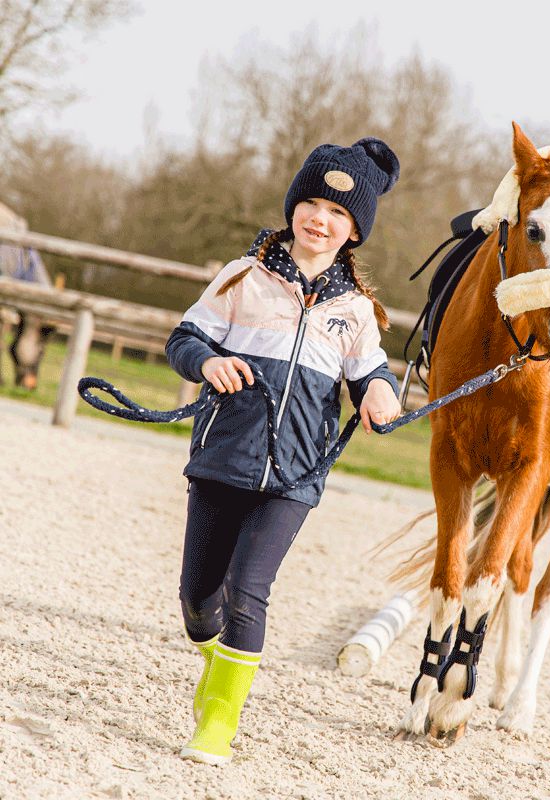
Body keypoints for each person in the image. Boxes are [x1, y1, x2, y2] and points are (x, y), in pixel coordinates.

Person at [165, 138, 402, 765]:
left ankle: (218, 718)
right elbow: (185, 336)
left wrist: (379, 394)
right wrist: (209, 360)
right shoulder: (244, 277)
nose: (320, 219)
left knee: (249, 591)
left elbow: (370, 374)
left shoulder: (355, 310)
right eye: (313, 203)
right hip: (221, 460)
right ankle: (216, 665)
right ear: (296, 205)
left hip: (295, 474)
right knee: (197, 602)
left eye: (338, 214)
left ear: (354, 231)